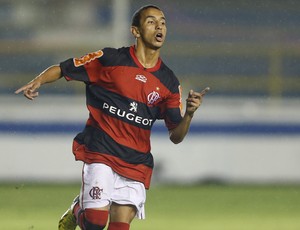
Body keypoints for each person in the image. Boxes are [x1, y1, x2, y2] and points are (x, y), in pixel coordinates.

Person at [15, 4, 209, 230]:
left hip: (135, 162)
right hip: (101, 152)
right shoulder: (110, 59)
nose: (160, 27)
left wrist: (190, 114)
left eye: (163, 22)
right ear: (135, 31)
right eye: (151, 21)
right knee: (96, 223)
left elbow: (176, 135)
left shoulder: (168, 82)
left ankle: (82, 207)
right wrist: (38, 81)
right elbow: (64, 68)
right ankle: (78, 210)